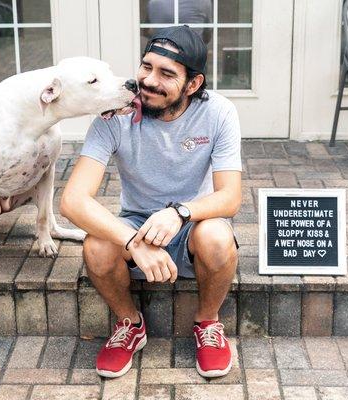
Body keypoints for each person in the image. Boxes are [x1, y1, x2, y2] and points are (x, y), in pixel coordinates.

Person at [60, 25, 242, 379]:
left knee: (218, 237)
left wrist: (180, 212)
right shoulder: (115, 116)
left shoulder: (219, 113)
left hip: (193, 227)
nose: (148, 80)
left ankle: (207, 323)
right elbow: (72, 200)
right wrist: (133, 242)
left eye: (166, 74)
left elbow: (230, 197)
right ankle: (130, 324)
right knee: (96, 245)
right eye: (146, 66)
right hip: (136, 226)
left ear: (193, 84)